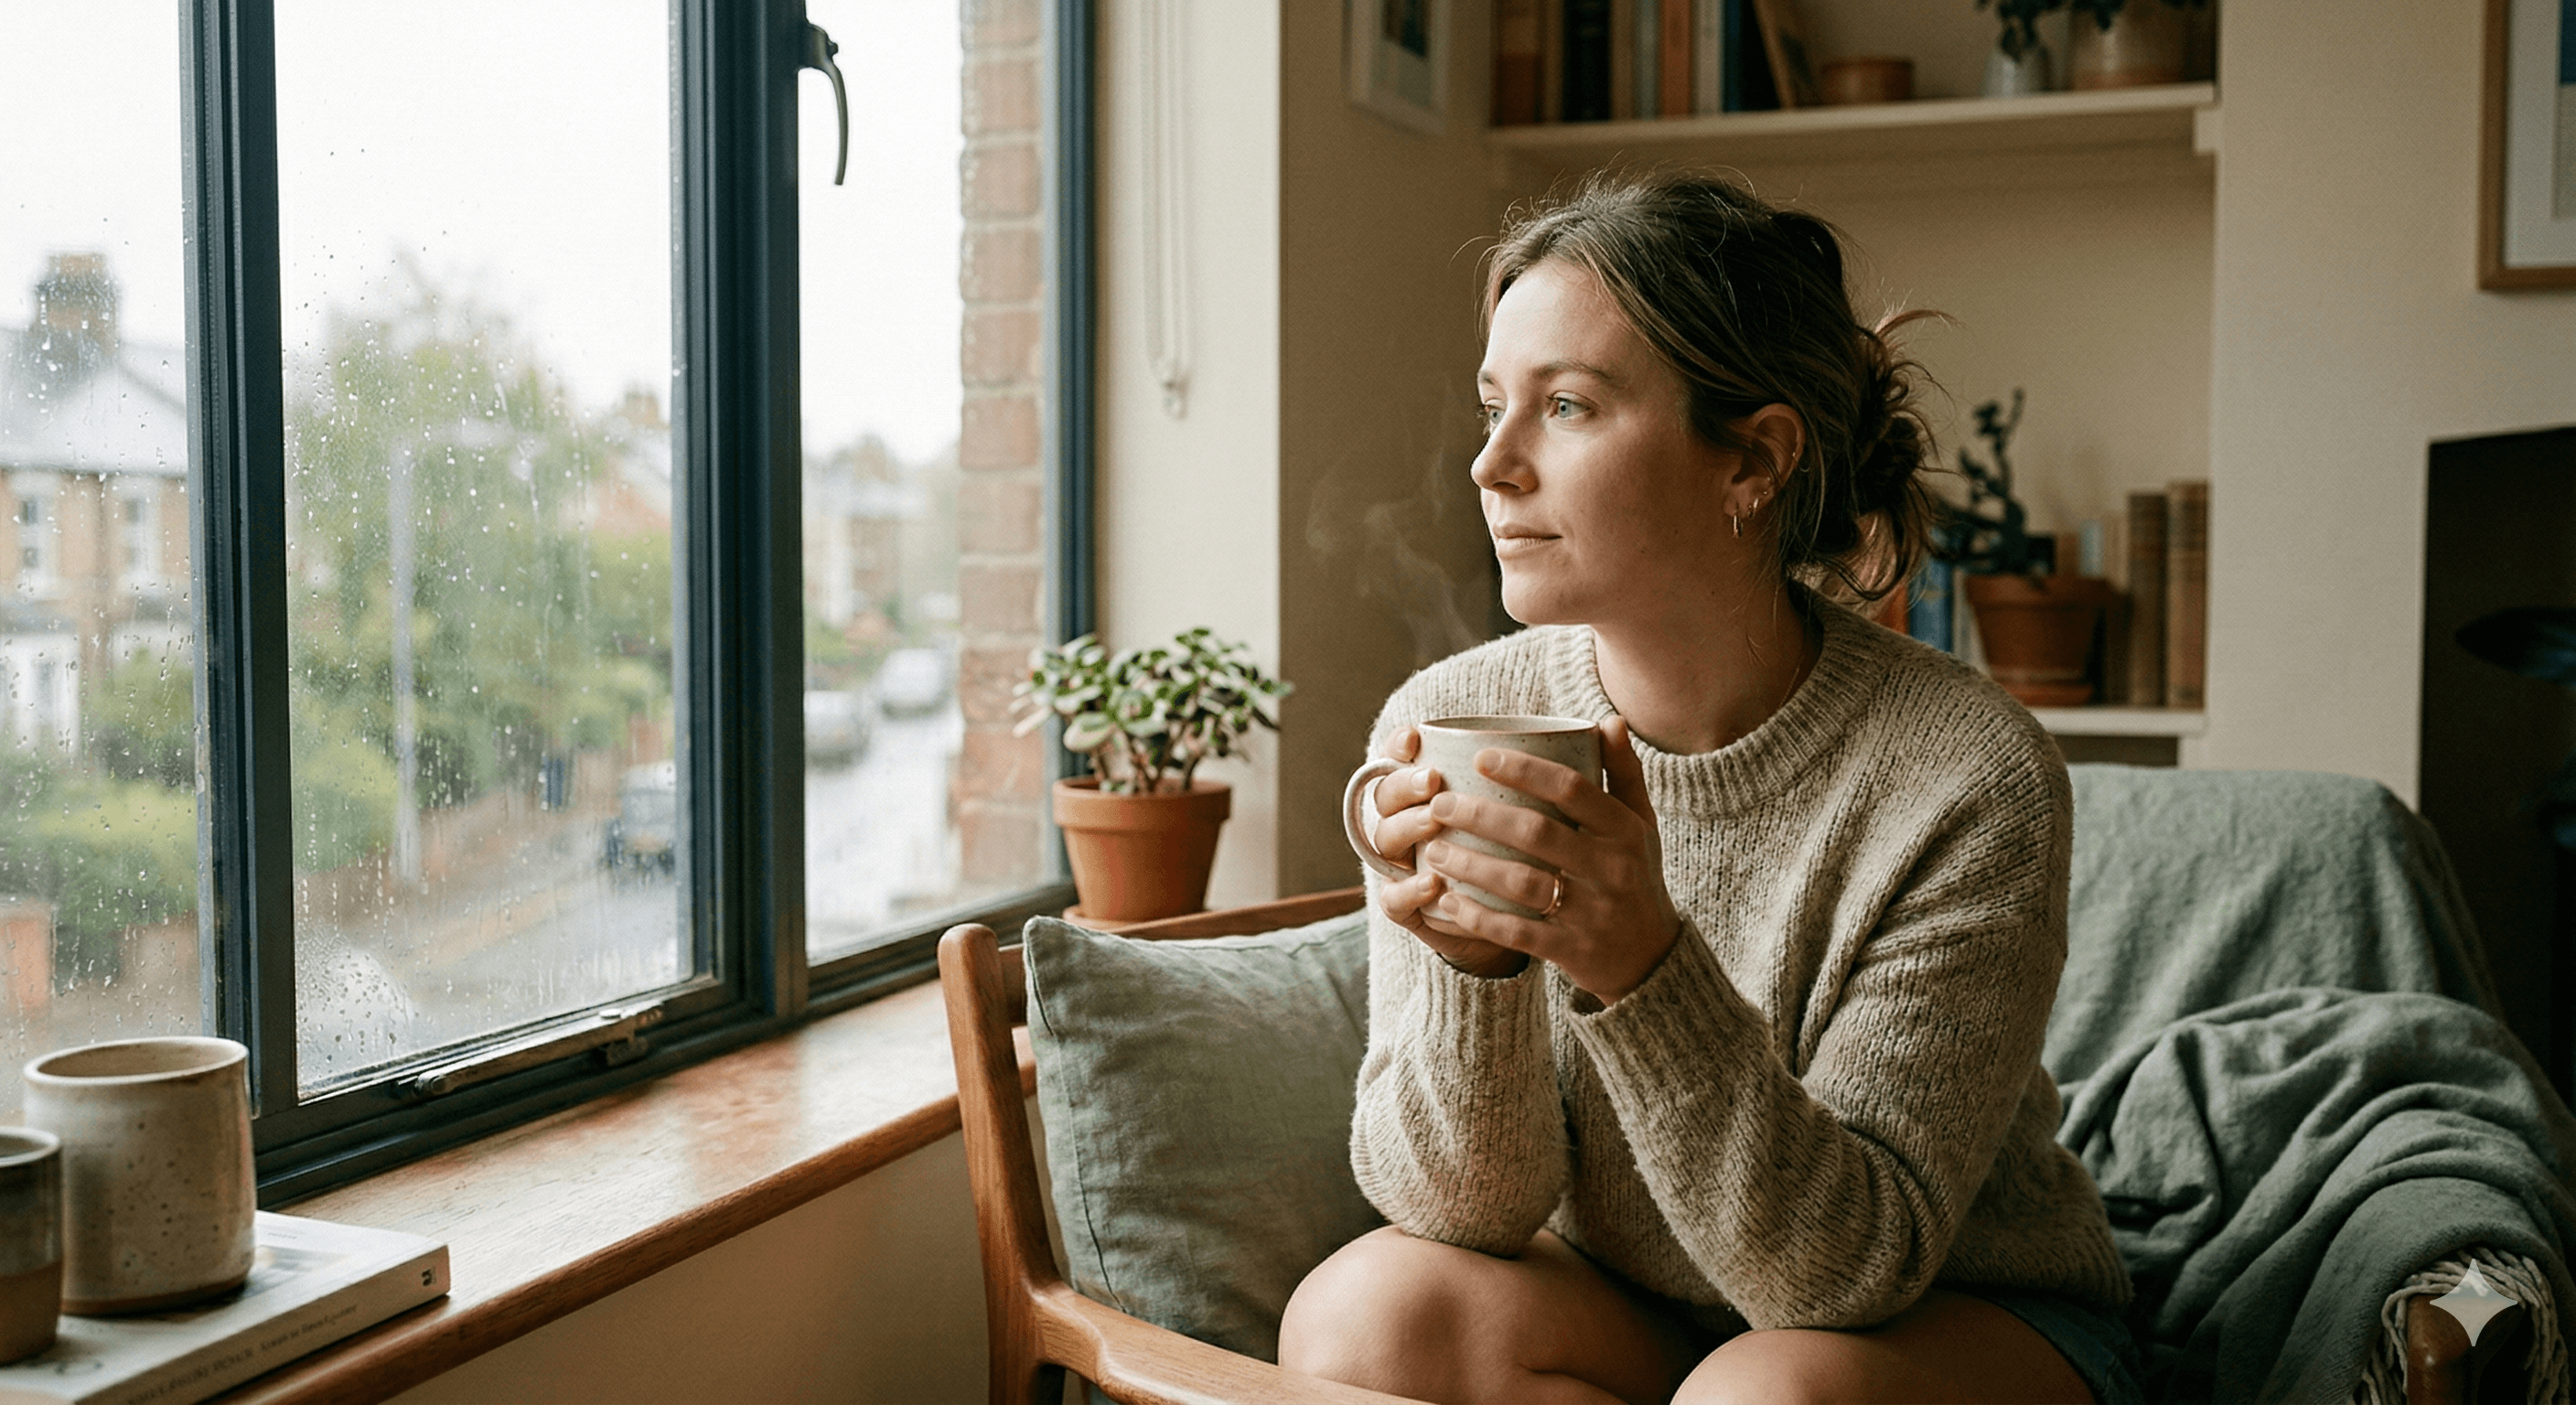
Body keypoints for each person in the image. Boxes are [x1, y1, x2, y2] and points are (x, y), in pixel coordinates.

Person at [1273, 172, 2141, 1405]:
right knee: (1363, 1320)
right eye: (1491, 405)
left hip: (1942, 1314)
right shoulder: (1442, 720)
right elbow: (1460, 1213)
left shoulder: (1967, 774)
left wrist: (1641, 968)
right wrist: (1477, 971)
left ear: (1755, 460)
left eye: (1565, 406)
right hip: (1636, 1302)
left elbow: (1846, 1273)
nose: (1490, 466)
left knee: (1761, 1397)